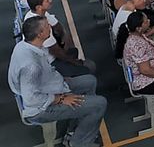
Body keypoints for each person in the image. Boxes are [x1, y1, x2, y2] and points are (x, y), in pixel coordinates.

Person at [9, 16, 108, 147]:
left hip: (49, 88)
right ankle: (80, 143)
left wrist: (57, 79)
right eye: (46, 26)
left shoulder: (25, 45)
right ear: (40, 34)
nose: (50, 26)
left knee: (90, 81)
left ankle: (75, 131)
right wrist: (61, 99)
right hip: (41, 107)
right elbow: (32, 99)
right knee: (100, 104)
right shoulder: (31, 66)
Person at [25, 0, 94, 77]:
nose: (50, 1)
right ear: (39, 7)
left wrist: (64, 40)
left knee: (73, 51)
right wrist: (77, 63)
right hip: (49, 62)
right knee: (87, 69)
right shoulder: (39, 27)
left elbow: (58, 26)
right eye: (47, 1)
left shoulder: (41, 13)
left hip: (54, 53)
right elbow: (56, 51)